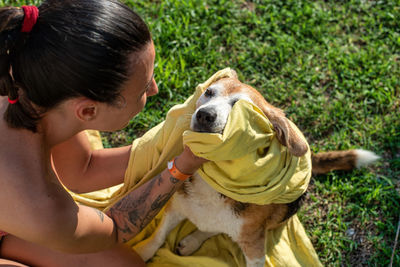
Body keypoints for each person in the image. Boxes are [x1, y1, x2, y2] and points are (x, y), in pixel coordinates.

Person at [0, 0, 206, 266]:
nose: (154, 89)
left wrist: (169, 144)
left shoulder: (33, 78)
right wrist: (180, 168)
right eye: (143, 88)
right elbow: (116, 227)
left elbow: (81, 169)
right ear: (87, 111)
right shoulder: (40, 208)